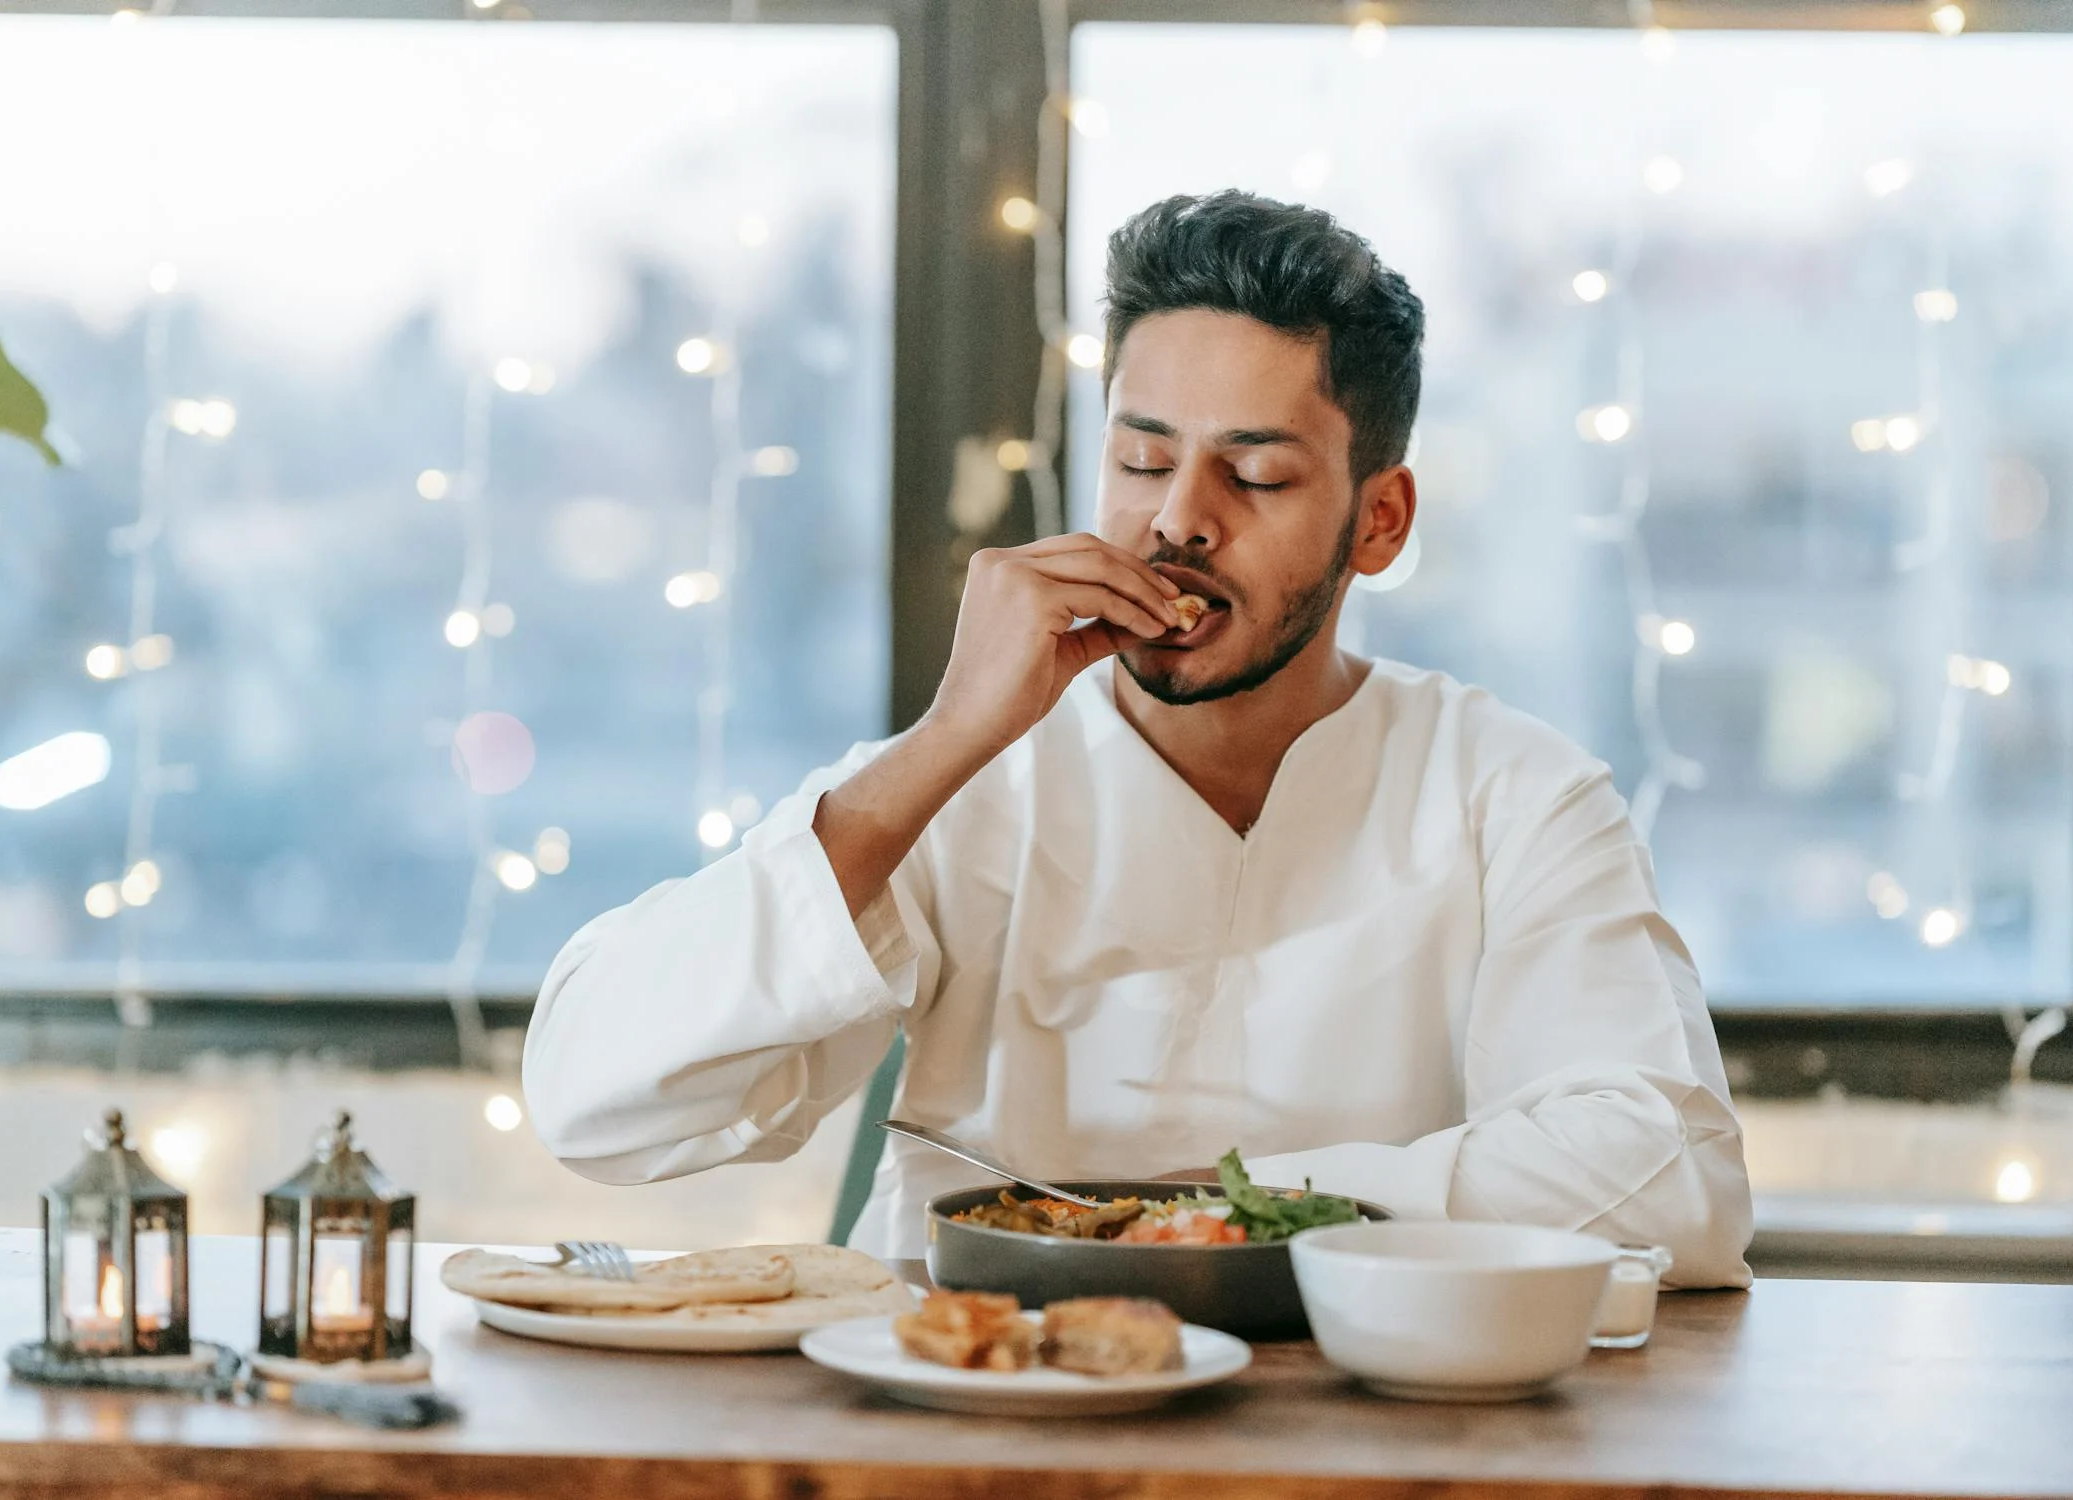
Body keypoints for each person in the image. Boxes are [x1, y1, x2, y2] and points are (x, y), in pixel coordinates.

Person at [524, 190, 1754, 1287]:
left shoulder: (1513, 791)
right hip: (976, 1418)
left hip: (1358, 1435)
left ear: (1379, 521)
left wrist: (1239, 1220)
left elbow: (1674, 1181)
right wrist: (947, 739)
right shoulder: (971, 775)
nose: (1177, 520)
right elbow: (594, 1106)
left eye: (1256, 478)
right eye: (1141, 458)